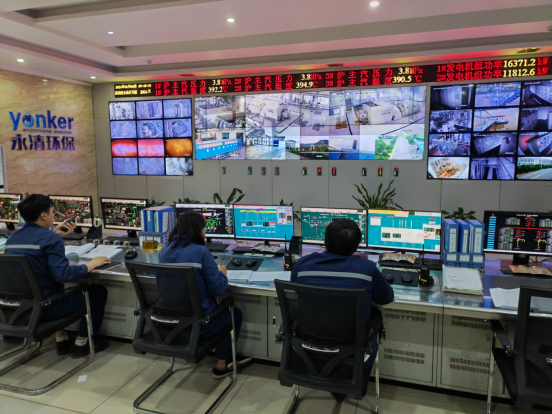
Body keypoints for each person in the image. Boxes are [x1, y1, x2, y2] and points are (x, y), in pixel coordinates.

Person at [290, 218, 394, 402]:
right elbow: (386, 298)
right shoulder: (367, 269)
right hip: (353, 352)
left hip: (306, 346)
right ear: (356, 245)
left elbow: (297, 289)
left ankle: (333, 380)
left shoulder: (303, 264)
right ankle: (340, 383)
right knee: (376, 316)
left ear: (325, 241)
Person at [4, 194, 111, 359]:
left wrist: (55, 235)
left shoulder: (13, 238)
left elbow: (35, 259)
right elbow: (63, 275)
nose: (54, 216)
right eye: (52, 212)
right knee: (97, 292)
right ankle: (81, 344)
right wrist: (90, 265)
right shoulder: (50, 238)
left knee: (50, 286)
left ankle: (61, 340)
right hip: (45, 308)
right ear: (43, 215)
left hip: (18, 309)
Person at [159, 212, 252, 379]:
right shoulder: (201, 252)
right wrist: (222, 273)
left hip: (170, 323)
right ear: (199, 231)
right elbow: (218, 290)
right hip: (200, 325)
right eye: (204, 229)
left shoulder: (164, 250)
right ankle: (222, 365)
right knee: (234, 314)